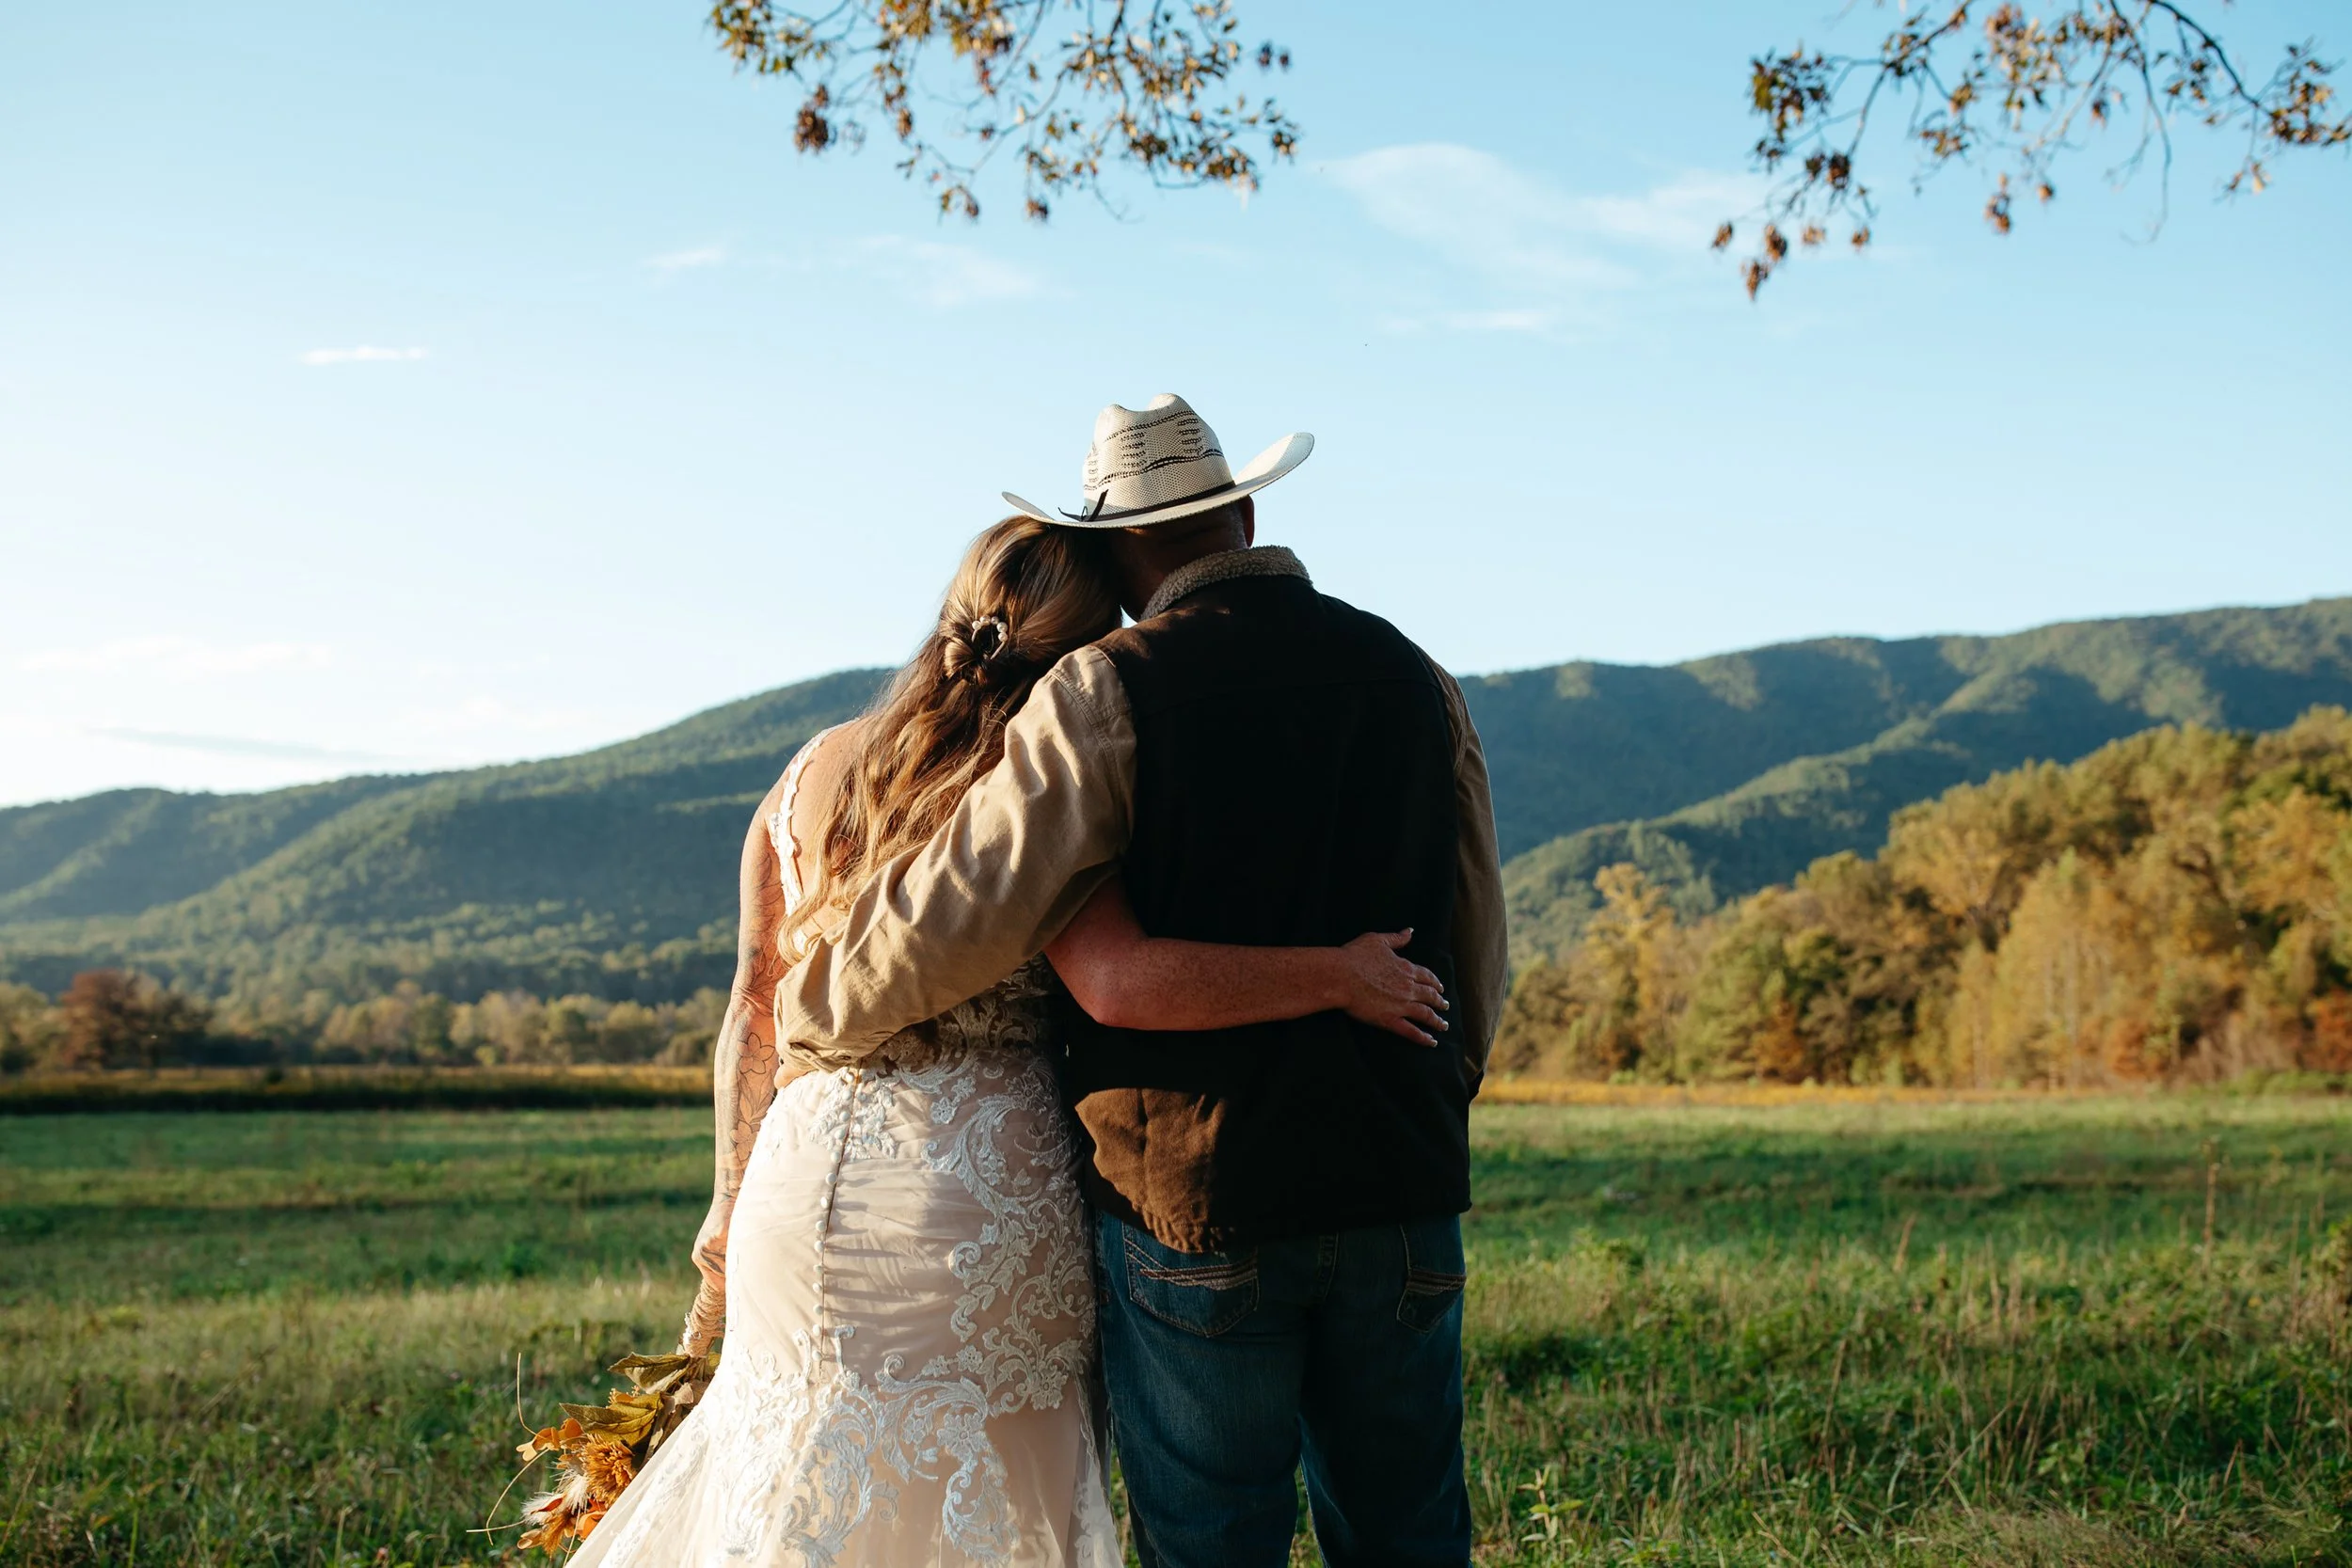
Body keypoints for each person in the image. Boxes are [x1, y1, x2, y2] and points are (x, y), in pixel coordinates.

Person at [570, 513, 1454, 1568]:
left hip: (799, 1184)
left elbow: (753, 1007)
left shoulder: (810, 772)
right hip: (982, 1200)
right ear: (1086, 637)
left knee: (785, 1482)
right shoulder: (1039, 780)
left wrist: (726, 1206)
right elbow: (1115, 975)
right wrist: (1344, 974)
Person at [776, 395, 1509, 1568]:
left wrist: (813, 999)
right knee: (1412, 1530)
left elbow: (968, 905)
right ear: (1246, 510)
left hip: (1196, 1189)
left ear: (1119, 551)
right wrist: (1440, 1088)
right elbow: (1476, 931)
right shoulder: (1412, 672)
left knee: (1212, 1539)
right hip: (1398, 1174)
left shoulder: (1104, 689)